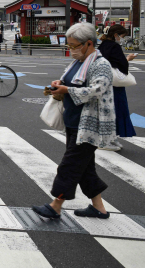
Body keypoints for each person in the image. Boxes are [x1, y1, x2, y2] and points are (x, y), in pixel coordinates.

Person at [32, 23, 115, 220]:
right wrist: (59, 84)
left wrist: (67, 90)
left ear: (88, 43)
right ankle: (99, 208)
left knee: (70, 165)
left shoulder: (100, 64)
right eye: (68, 46)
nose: (71, 50)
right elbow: (69, 81)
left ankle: (56, 205)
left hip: (89, 124)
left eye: (74, 46)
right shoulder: (79, 61)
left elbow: (97, 90)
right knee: (84, 167)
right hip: (74, 122)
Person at [98, 25, 137, 151]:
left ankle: (110, 138)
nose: (122, 39)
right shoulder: (114, 46)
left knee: (108, 111)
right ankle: (108, 140)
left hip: (104, 82)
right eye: (122, 36)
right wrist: (128, 59)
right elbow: (121, 64)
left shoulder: (103, 45)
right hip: (115, 84)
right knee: (118, 110)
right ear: (116, 35)